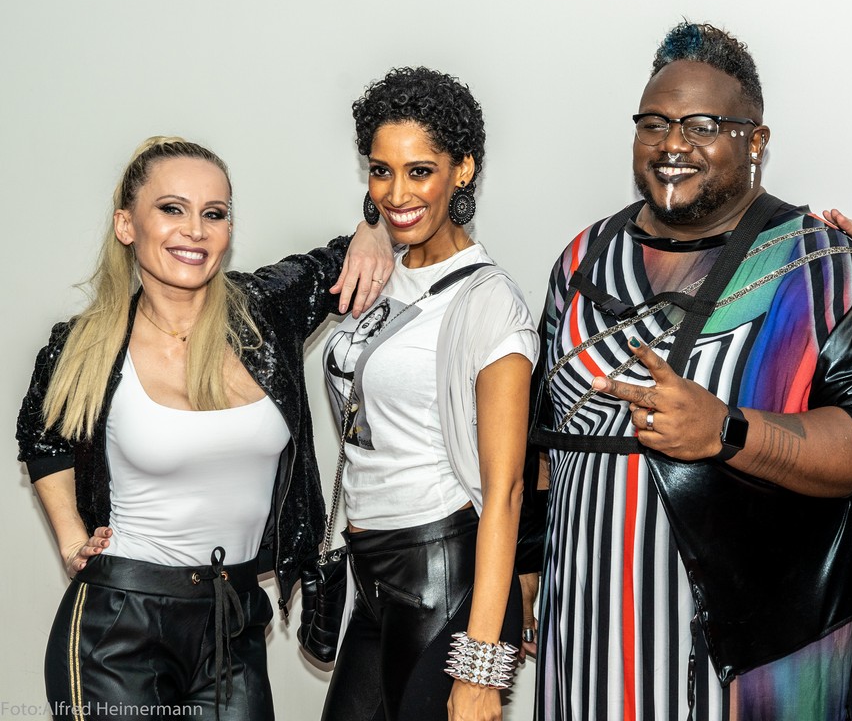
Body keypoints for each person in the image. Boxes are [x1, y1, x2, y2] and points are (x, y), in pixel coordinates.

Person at [523, 22, 852, 720]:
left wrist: (727, 431)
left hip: (755, 659)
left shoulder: (823, 267)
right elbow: (544, 436)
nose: (672, 144)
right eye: (654, 123)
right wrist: (527, 565)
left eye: (702, 126)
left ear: (755, 141)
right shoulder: (582, 260)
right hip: (584, 638)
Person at [16, 136, 394, 720]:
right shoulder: (85, 345)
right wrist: (71, 541)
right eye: (172, 208)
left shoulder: (264, 312)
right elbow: (42, 437)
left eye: (213, 214)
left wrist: (373, 226)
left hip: (232, 621)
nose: (195, 230)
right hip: (118, 627)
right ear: (126, 225)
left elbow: (350, 256)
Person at [319, 66, 535, 721]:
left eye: (420, 171)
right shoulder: (377, 269)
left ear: (462, 170)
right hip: (370, 578)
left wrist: (480, 669)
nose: (396, 193)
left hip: (441, 577)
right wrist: (369, 231)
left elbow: (505, 491)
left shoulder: (489, 303)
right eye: (381, 171)